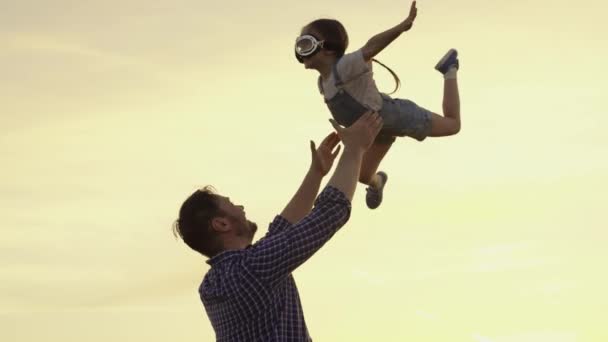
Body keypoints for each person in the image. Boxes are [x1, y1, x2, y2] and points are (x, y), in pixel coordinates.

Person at [173, 111, 383, 341]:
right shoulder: (251, 270)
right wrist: (354, 150)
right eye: (231, 204)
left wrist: (316, 173)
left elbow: (281, 232)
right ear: (221, 223)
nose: (240, 206)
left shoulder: (213, 285)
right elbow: (330, 213)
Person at [294, 1, 461, 209]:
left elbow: (371, 46)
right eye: (299, 45)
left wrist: (402, 26)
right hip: (375, 132)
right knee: (363, 176)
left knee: (453, 125)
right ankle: (378, 182)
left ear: (327, 49)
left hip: (397, 117)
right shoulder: (323, 83)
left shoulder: (345, 66)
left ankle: (450, 68)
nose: (301, 52)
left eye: (306, 44)